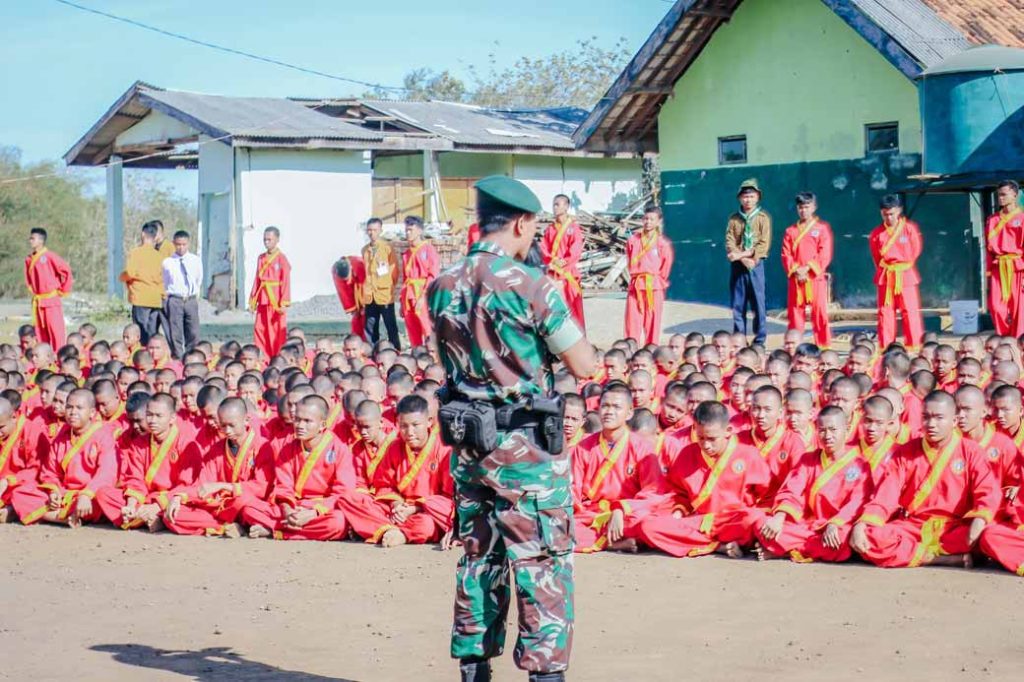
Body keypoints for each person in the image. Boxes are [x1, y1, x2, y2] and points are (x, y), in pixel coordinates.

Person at [428, 175, 596, 682]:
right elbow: (583, 364)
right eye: (534, 228)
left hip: (469, 445)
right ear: (521, 222)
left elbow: (447, 362)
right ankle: (545, 674)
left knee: (479, 560)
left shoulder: (441, 284)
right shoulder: (532, 285)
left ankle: (474, 669)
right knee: (541, 563)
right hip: (525, 452)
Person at [850, 391, 1000, 568]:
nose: (931, 424)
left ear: (954, 421)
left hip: (954, 529)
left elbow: (988, 492)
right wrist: (863, 523)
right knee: (870, 536)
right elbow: (886, 495)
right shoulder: (905, 452)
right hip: (913, 528)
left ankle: (915, 554)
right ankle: (941, 559)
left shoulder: (971, 451)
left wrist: (980, 520)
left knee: (990, 535)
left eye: (938, 418)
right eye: (926, 417)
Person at [755, 406, 871, 562]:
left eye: (833, 430)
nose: (827, 436)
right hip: (808, 524)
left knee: (841, 541)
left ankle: (786, 550)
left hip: (838, 525)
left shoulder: (860, 464)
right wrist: (780, 516)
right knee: (761, 524)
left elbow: (857, 502)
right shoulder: (808, 460)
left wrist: (835, 523)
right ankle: (797, 548)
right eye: (822, 430)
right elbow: (792, 489)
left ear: (847, 428)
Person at [11, 389, 116, 526]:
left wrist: (86, 494)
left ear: (91, 412)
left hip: (90, 495)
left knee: (103, 497)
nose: (73, 412)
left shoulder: (104, 435)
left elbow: (106, 474)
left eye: (79, 408)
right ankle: (64, 518)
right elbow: (49, 472)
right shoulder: (63, 434)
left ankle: (55, 515)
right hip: (65, 494)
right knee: (20, 492)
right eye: (69, 407)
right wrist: (54, 491)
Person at [869, 194, 923, 352]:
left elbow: (915, 250)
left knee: (910, 311)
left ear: (899, 210)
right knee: (885, 313)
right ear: (881, 213)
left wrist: (902, 264)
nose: (889, 217)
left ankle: (914, 345)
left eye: (892, 213)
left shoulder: (909, 229)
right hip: (886, 275)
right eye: (885, 214)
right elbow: (876, 256)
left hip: (905, 273)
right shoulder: (876, 233)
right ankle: (886, 347)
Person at [781, 192, 833, 348]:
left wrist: (808, 269)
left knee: (820, 314)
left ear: (814, 207)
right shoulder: (790, 231)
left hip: (815, 279)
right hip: (796, 279)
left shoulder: (822, 229)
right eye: (800, 207)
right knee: (795, 315)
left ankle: (823, 346)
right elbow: (786, 254)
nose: (803, 210)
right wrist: (797, 270)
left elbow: (825, 253)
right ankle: (795, 347)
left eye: (807, 207)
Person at [725, 180, 771, 345]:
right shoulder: (734, 219)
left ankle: (759, 339)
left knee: (759, 303)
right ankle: (739, 339)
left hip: (756, 266)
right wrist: (742, 258)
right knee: (738, 304)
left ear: (757, 197)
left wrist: (751, 258)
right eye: (745, 196)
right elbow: (730, 242)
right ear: (739, 198)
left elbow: (763, 243)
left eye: (751, 196)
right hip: (738, 266)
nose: (748, 200)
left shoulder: (763, 218)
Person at [624, 205, 673, 345]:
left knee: (653, 321)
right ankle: (630, 349)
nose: (648, 222)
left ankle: (651, 349)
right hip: (636, 285)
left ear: (659, 221)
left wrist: (656, 279)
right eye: (645, 218)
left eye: (652, 219)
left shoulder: (662, 243)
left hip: (654, 286)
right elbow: (629, 260)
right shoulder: (633, 240)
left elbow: (665, 267)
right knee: (632, 321)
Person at [541, 194, 586, 330]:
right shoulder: (550, 229)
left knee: (572, 308)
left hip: (568, 274)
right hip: (553, 274)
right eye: (553, 205)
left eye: (557, 204)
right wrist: (552, 261)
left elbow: (575, 251)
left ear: (566, 206)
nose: (554, 208)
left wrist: (563, 263)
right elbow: (543, 248)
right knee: (553, 309)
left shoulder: (574, 228)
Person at [985, 180, 1024, 336]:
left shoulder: (1022, 218)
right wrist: (988, 271)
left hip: (1018, 267)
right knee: (996, 307)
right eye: (998, 195)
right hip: (998, 267)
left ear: (1014, 195)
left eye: (1004, 194)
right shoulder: (992, 219)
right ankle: (1004, 338)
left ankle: (1019, 341)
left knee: (1019, 308)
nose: (1000, 198)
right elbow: (988, 249)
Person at [24, 227, 73, 350]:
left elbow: (66, 270)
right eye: (30, 238)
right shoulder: (29, 259)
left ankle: (59, 356)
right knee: (40, 332)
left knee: (56, 331)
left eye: (33, 238)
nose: (30, 241)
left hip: (51, 300)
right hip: (38, 301)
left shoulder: (50, 256)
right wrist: (33, 290)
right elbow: (28, 279)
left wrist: (63, 290)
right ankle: (43, 357)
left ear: (41, 240)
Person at [120, 221, 167, 345]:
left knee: (140, 331)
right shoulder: (159, 256)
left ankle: (143, 355)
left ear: (142, 234)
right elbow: (163, 278)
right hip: (156, 299)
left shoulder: (136, 253)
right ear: (155, 236)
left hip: (141, 297)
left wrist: (122, 277)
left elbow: (130, 272)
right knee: (152, 330)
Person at [249, 226, 291, 359]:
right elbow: (257, 279)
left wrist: (284, 302)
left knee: (276, 332)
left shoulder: (282, 259)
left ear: (277, 239)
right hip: (263, 299)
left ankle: (277, 358)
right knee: (260, 329)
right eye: (265, 240)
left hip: (276, 301)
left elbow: (285, 281)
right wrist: (253, 300)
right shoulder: (261, 258)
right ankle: (263, 358)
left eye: (269, 239)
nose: (266, 242)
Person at [161, 230, 203, 359]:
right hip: (175, 299)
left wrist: (192, 294)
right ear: (174, 244)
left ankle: (192, 356)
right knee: (176, 331)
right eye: (178, 244)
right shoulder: (168, 262)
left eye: (184, 244)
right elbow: (166, 282)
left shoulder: (195, 260)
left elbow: (198, 278)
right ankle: (179, 356)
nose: (181, 247)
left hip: (190, 299)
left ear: (188, 243)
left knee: (193, 330)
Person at [400, 216, 440, 348]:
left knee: (427, 327)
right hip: (409, 294)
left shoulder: (428, 249)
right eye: (406, 230)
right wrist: (401, 301)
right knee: (412, 330)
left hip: (422, 293)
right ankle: (416, 355)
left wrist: (424, 297)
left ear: (419, 231)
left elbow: (433, 275)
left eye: (410, 230)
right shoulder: (406, 254)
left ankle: (433, 356)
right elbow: (405, 279)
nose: (407, 233)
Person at [361, 218, 401, 349]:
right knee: (371, 326)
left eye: (374, 230)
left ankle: (395, 349)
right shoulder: (365, 250)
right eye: (369, 230)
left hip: (384, 295)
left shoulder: (387, 248)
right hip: (369, 294)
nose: (371, 233)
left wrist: (388, 287)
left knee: (390, 325)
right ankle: (372, 351)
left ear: (380, 231)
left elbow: (395, 272)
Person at [332, 256, 367, 340]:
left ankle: (366, 343)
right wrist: (354, 309)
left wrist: (366, 305)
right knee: (355, 321)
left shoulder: (359, 264)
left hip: (363, 290)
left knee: (365, 318)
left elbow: (366, 286)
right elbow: (344, 291)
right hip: (354, 294)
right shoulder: (335, 271)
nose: (347, 281)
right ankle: (355, 340)